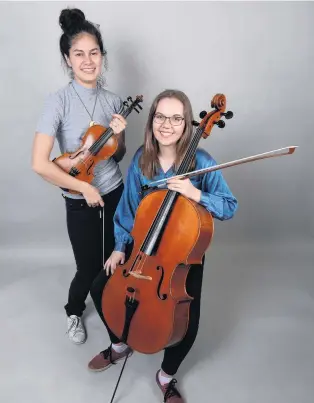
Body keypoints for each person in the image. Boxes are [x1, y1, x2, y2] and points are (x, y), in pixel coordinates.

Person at [87, 89, 238, 402]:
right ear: (151, 120)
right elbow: (128, 210)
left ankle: (165, 375)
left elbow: (228, 207)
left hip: (181, 256)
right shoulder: (142, 160)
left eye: (176, 118)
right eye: (160, 116)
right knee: (101, 286)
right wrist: (118, 247)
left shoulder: (202, 161)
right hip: (142, 247)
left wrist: (195, 194)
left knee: (186, 321)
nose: (166, 124)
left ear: (186, 124)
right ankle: (120, 344)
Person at [31, 7, 127, 344]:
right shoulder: (56, 102)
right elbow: (40, 164)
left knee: (117, 259)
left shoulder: (114, 100)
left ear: (103, 56)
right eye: (79, 54)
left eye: (94, 53)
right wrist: (82, 188)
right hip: (79, 199)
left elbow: (119, 155)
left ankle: (115, 312)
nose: (88, 60)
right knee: (88, 268)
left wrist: (118, 135)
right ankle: (74, 310)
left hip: (115, 192)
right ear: (67, 59)